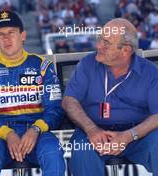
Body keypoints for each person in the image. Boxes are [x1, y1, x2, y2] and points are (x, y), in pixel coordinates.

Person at [0, 11, 65, 176]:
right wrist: (7, 133)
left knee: (53, 152)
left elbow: (56, 109)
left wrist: (36, 129)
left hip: (38, 133)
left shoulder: (43, 67)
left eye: (11, 33)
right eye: (1, 34)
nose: (6, 38)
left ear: (23, 35)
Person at [62, 18, 158, 176]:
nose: (99, 45)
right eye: (100, 39)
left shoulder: (150, 73)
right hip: (92, 133)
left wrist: (129, 135)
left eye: (106, 43)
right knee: (82, 151)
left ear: (125, 50)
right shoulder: (87, 64)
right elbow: (69, 101)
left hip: (137, 135)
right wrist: (92, 129)